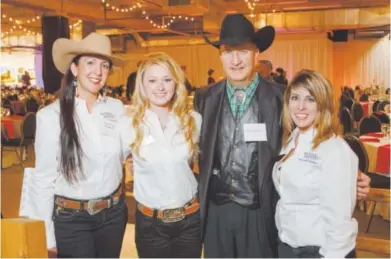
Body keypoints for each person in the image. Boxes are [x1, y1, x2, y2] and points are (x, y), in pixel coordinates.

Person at [196, 13, 371, 258]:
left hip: (261, 210)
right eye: (227, 51)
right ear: (220, 55)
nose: (235, 60)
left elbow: (314, 141)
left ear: (257, 54)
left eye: (243, 51)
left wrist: (354, 175)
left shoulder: (282, 98)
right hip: (216, 211)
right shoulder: (204, 98)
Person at [33, 32, 128, 258]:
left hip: (113, 215)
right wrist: (46, 233)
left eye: (104, 65)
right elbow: (44, 179)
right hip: (72, 219)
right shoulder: (50, 116)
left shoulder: (116, 108)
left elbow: (130, 150)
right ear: (74, 68)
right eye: (90, 63)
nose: (98, 71)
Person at [120, 52, 202, 258]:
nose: (161, 87)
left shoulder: (193, 121)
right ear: (143, 86)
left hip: (189, 222)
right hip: (151, 225)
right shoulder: (129, 124)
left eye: (167, 79)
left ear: (176, 83)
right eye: (153, 80)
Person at [274, 70, 358, 258]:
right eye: (295, 97)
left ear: (323, 104)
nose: (300, 106)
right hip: (288, 245)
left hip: (319, 251)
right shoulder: (292, 140)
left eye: (310, 99)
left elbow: (340, 223)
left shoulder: (334, 150)